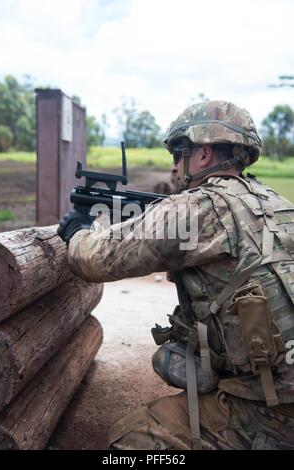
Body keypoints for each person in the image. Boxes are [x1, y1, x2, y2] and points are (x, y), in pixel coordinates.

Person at [58, 100, 294, 450]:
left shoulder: (197, 209)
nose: (173, 166)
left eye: (179, 152)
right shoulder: (278, 204)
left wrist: (76, 232)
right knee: (172, 357)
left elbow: (97, 260)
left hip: (273, 412)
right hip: (282, 383)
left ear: (204, 155)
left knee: (133, 437)